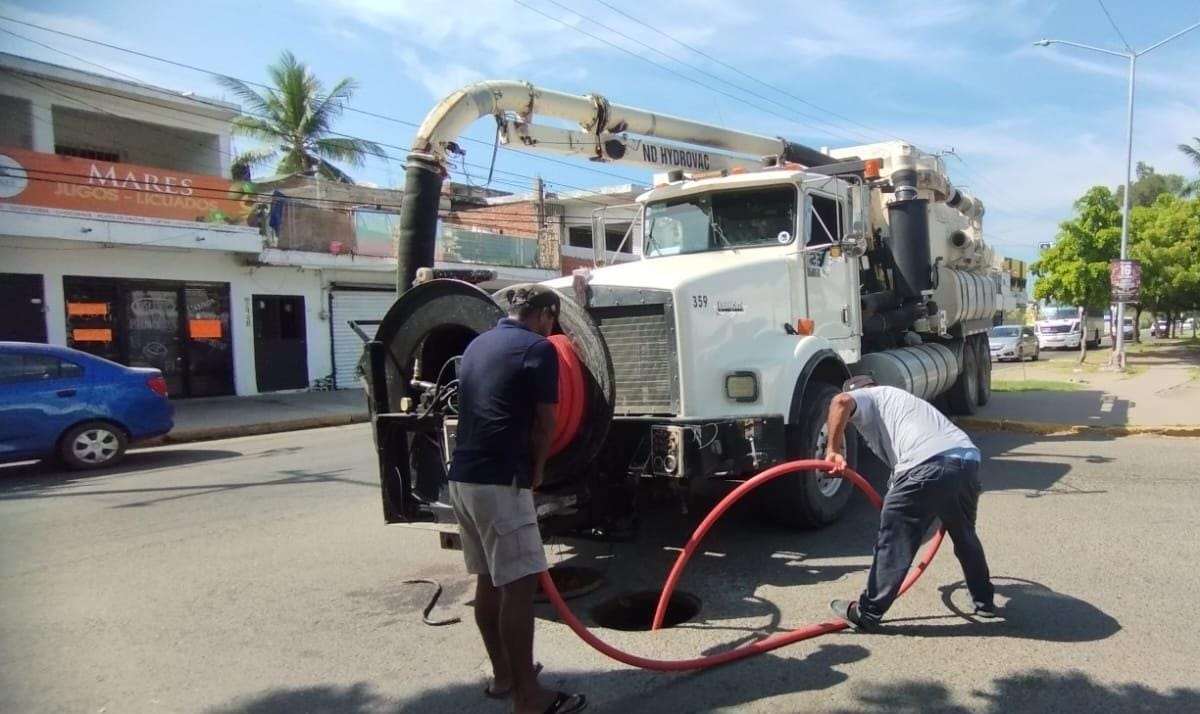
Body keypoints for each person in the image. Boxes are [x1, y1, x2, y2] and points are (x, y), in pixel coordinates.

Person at [447, 285, 587, 714]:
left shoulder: (475, 345)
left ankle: (504, 676)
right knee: (520, 586)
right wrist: (540, 470)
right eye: (553, 320)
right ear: (544, 314)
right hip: (501, 481)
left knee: (489, 580)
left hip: (463, 478)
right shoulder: (538, 349)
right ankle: (530, 698)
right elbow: (545, 423)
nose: (552, 328)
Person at [824, 375, 996, 630]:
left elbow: (840, 402)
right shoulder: (901, 402)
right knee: (965, 535)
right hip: (966, 461)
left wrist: (833, 448)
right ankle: (984, 602)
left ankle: (868, 612)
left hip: (926, 465)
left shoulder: (867, 397)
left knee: (894, 540)